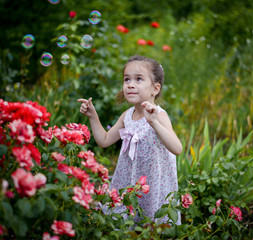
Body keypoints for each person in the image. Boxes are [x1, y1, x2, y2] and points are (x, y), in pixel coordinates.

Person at [78, 55, 182, 224]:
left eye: (139, 79)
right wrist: (92, 116)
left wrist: (153, 122)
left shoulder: (159, 115)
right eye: (127, 79)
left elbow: (177, 148)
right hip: (130, 178)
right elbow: (104, 140)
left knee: (150, 222)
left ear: (155, 89)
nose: (130, 84)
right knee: (128, 221)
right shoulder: (127, 116)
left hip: (154, 182)